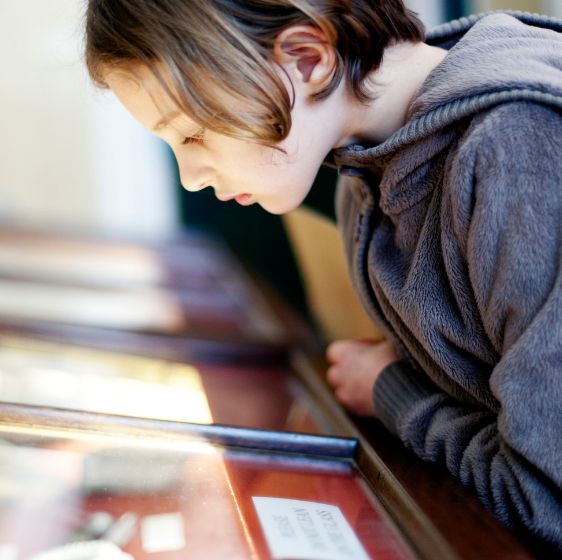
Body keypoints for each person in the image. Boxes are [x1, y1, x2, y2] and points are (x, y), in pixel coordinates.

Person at [85, 0, 562, 556]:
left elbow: (545, 500)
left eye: (193, 135)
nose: (190, 178)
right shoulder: (360, 168)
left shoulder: (521, 149)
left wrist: (391, 392)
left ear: (308, 59)